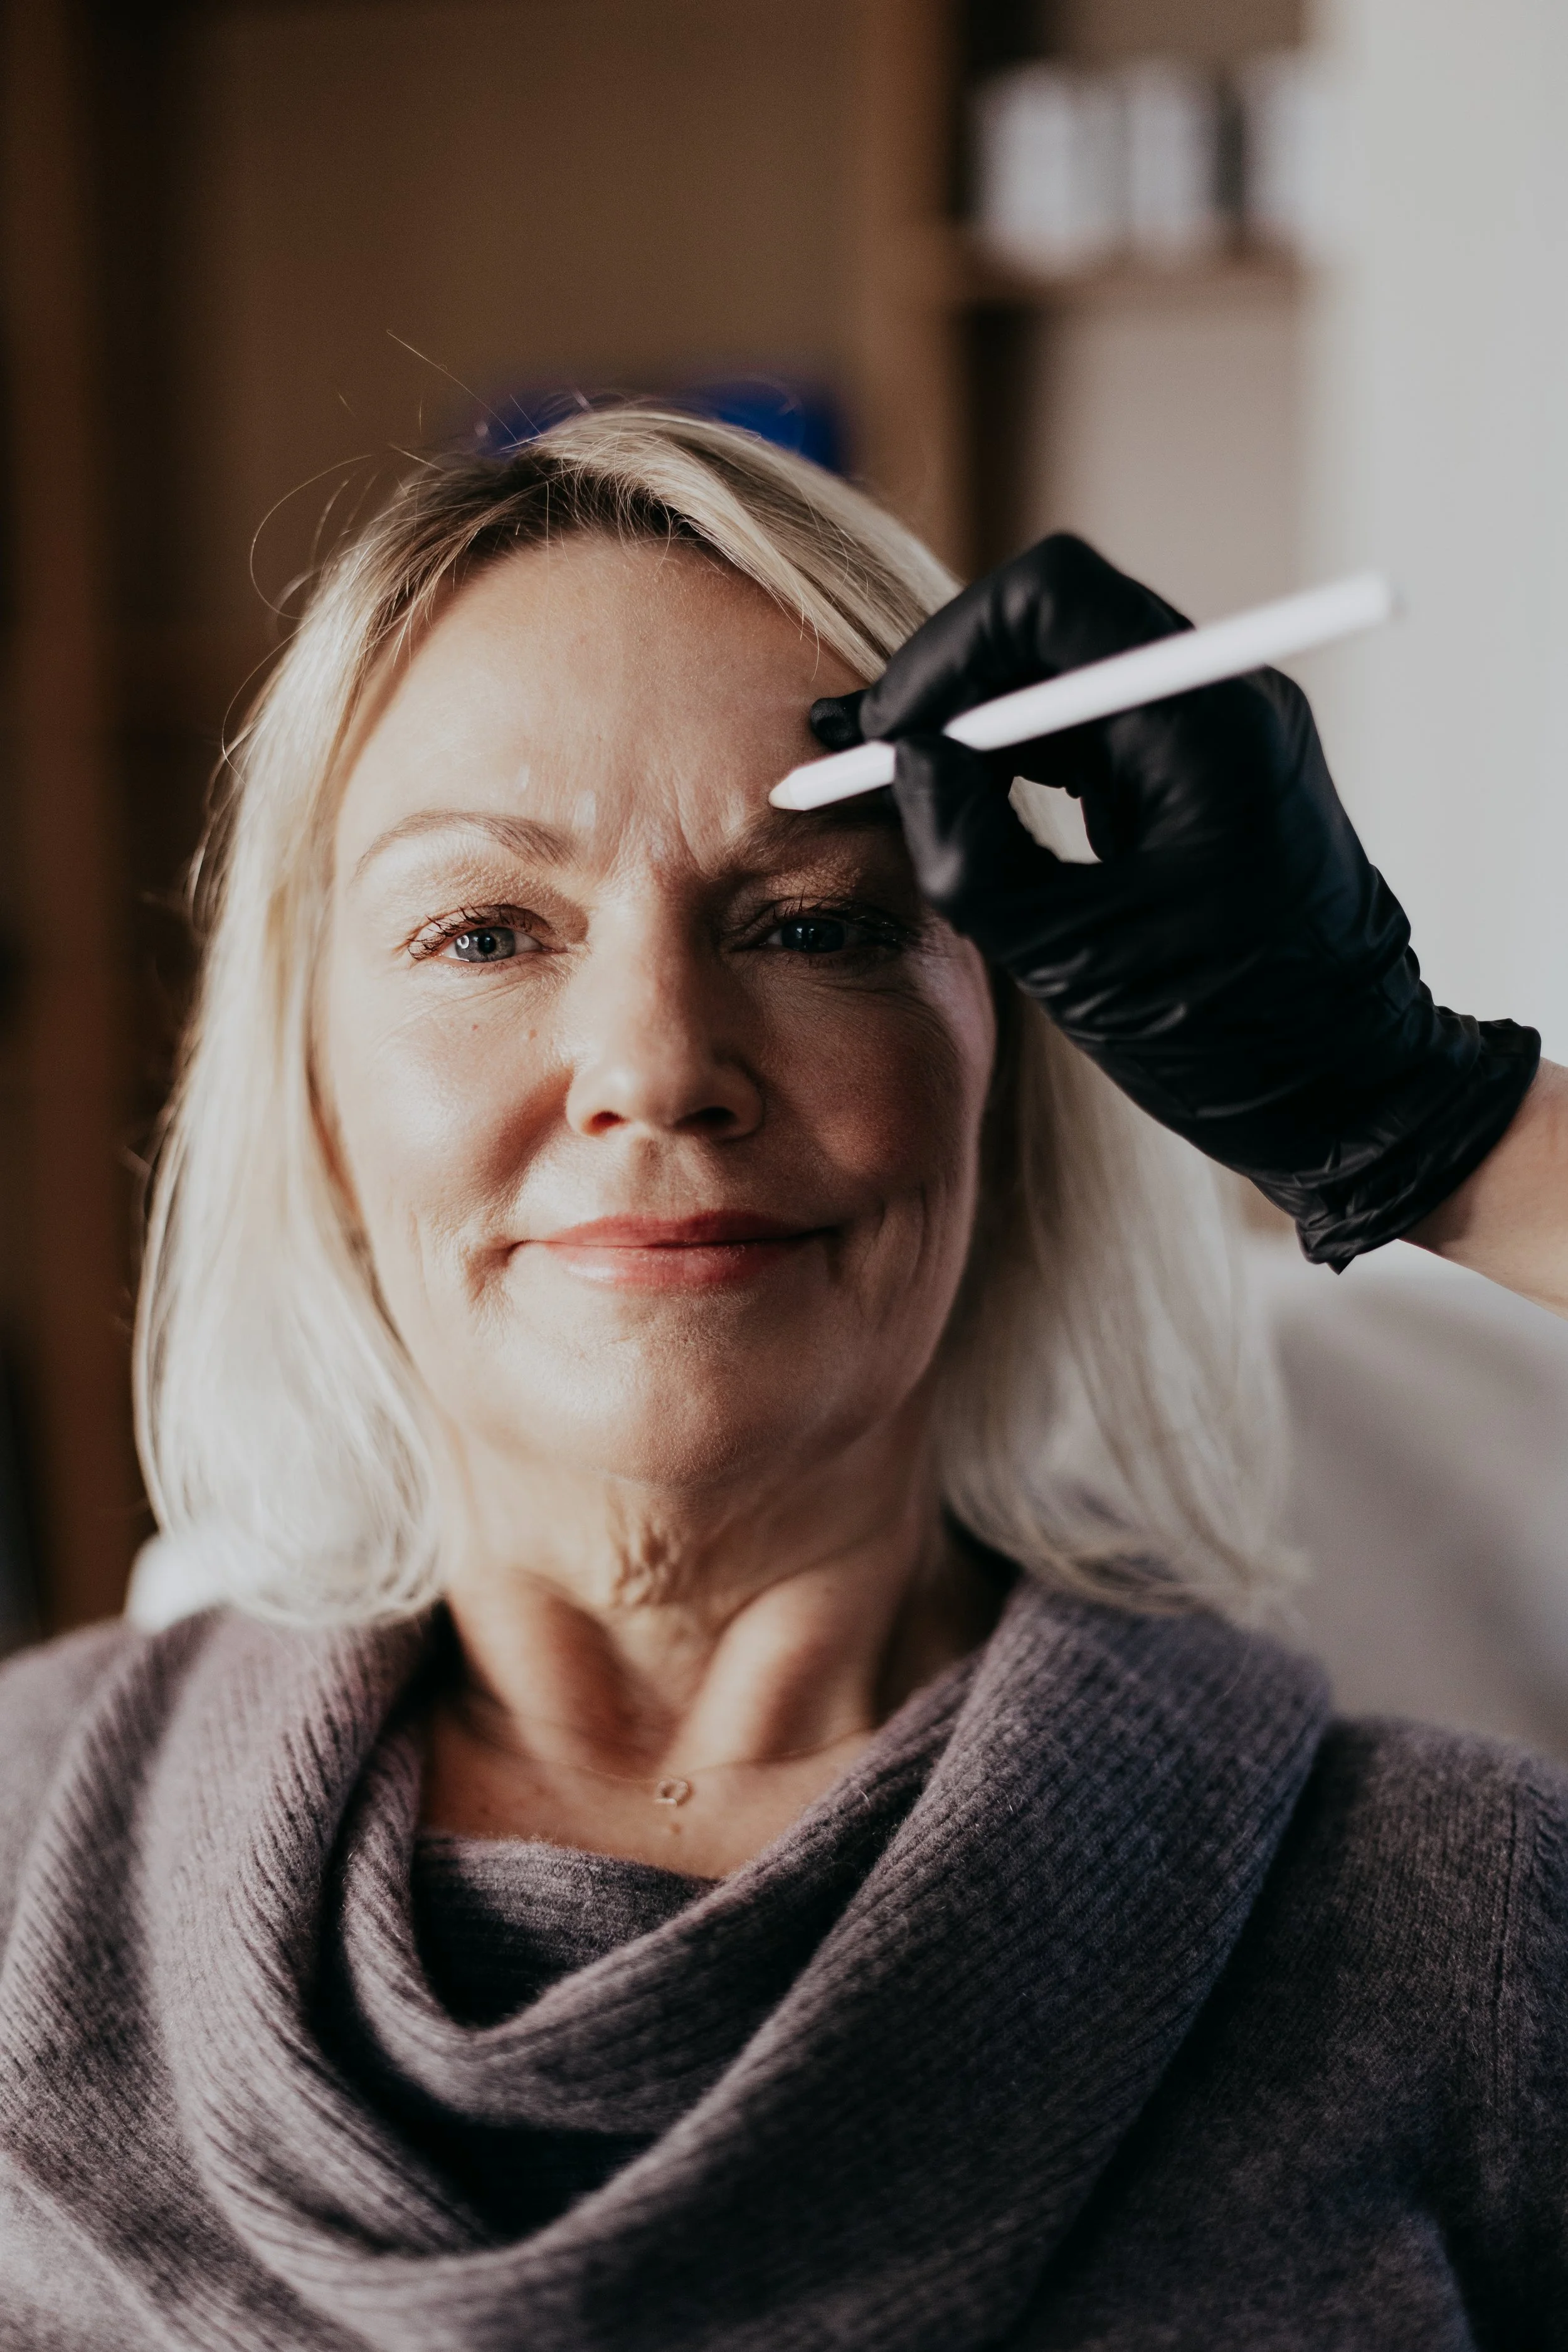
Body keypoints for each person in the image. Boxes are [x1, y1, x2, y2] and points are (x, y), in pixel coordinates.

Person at [0, 409, 1562, 2347]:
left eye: (817, 922)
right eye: (485, 930)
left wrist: (1443, 1126)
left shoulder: (1455, 1924)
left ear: (1002, 1076)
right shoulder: (20, 1843)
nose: (657, 1063)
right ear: (310, 1093)